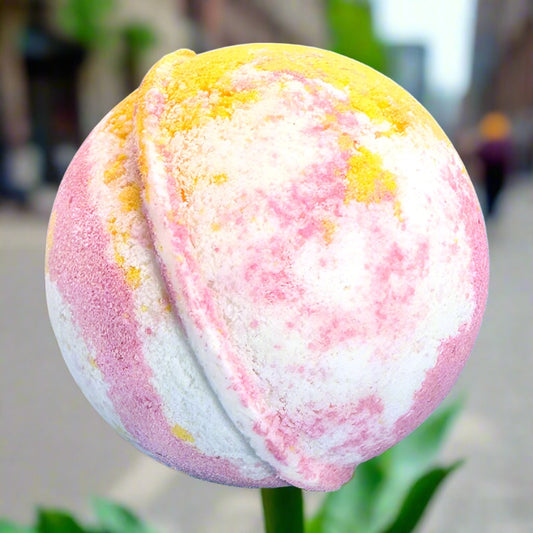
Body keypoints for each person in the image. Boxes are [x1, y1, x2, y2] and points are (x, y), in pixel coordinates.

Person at [477, 111, 512, 218]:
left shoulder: (498, 141)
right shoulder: (491, 141)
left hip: (496, 169)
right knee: (492, 189)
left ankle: (491, 208)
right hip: (492, 169)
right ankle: (490, 209)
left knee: (493, 189)